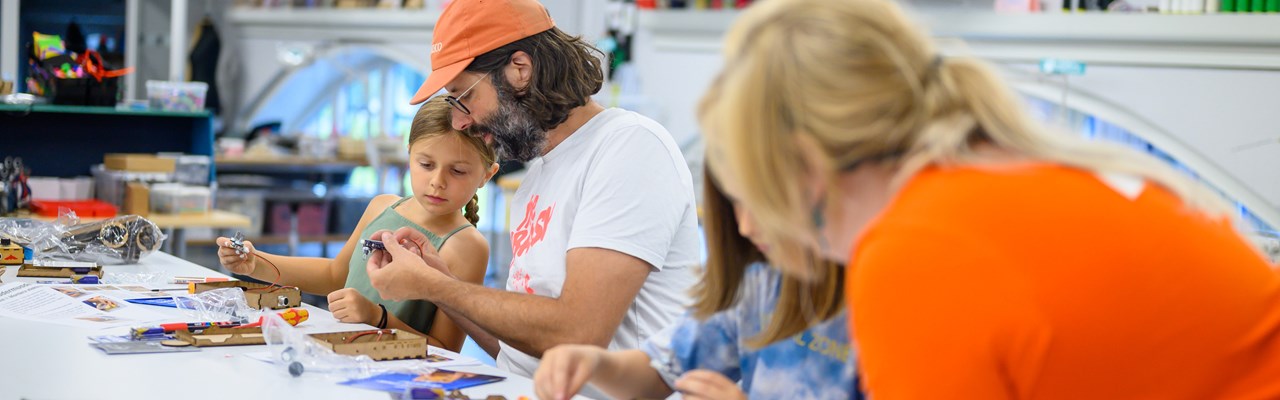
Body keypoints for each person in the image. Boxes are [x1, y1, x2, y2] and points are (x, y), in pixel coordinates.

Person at [698, 0, 1280, 398]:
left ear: (806, 168)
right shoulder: (1006, 179)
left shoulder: (917, 252)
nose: (746, 222)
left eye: (749, 181)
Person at [363, 0, 701, 384]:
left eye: (464, 97)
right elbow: (522, 350)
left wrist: (435, 286)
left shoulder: (630, 147)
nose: (459, 120)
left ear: (520, 70)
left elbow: (579, 332)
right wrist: (441, 285)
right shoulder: (536, 178)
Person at [532, 170, 857, 400]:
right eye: (736, 202)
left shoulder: (875, 298)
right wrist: (593, 363)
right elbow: (655, 375)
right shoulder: (758, 286)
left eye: (758, 200)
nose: (744, 226)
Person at [215, 98, 496, 352]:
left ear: (486, 175)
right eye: (426, 164)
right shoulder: (382, 206)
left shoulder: (466, 246)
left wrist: (377, 318)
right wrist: (256, 264)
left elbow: (444, 349)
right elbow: (334, 275)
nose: (438, 181)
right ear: (409, 155)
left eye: (457, 171)